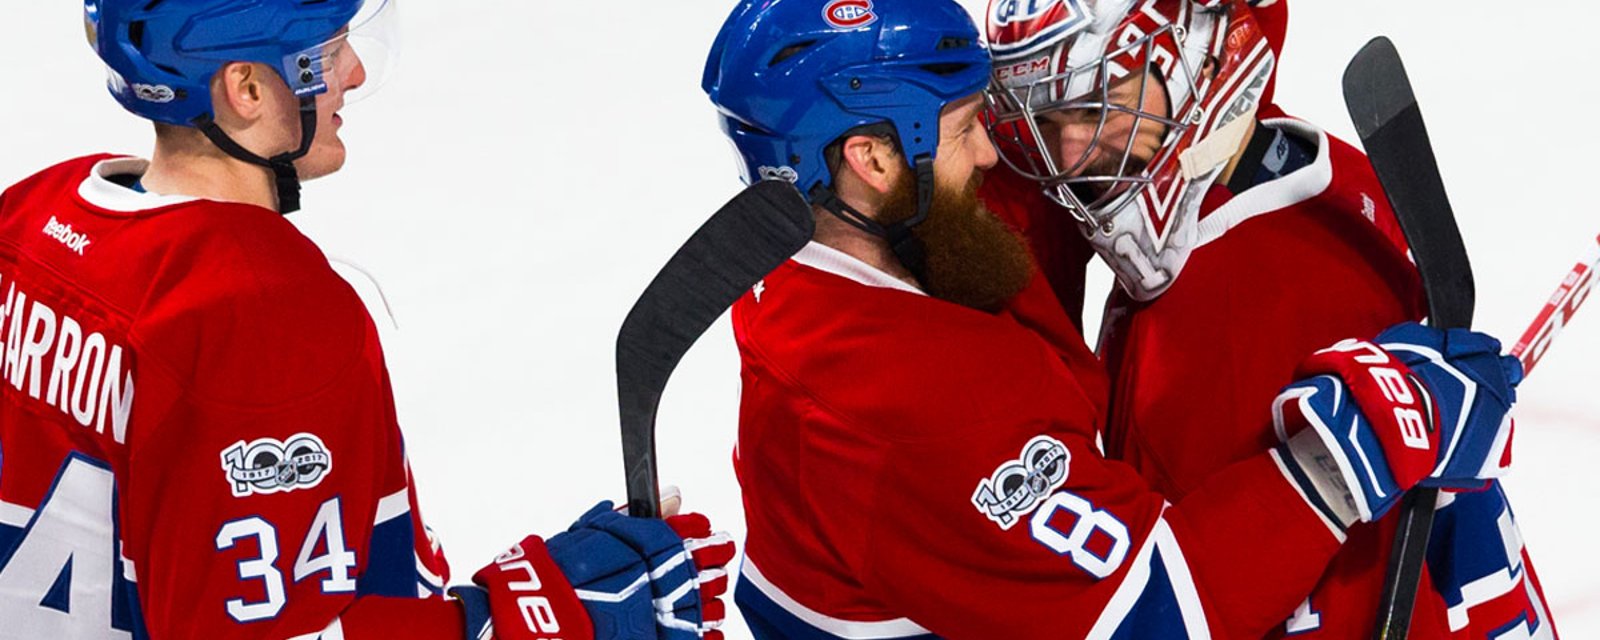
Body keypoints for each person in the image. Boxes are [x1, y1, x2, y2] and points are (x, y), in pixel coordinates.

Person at [703, 0, 1523, 638]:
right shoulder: (902, 411)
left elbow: (1106, 138)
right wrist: (1349, 456)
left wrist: (1198, 61)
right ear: (872, 158)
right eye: (962, 131)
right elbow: (1158, 616)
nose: (1003, 155)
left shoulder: (851, 230)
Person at [0, 1, 732, 638]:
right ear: (246, 88)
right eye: (322, 54)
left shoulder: (34, 219)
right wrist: (546, 614)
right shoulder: (257, 310)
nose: (350, 72)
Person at [979, 0, 1556, 637]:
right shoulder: (1300, 164)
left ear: (1193, 54)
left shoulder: (1226, 324)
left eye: (1093, 107)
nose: (1068, 154)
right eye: (1044, 119)